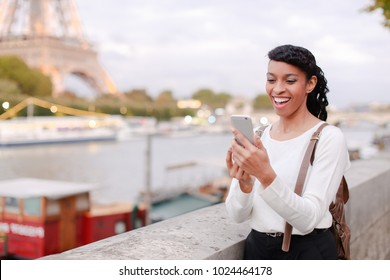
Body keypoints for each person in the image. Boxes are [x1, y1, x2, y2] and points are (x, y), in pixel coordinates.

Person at [225, 44, 350, 260]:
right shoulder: (258, 135)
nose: (277, 89)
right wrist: (245, 186)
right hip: (257, 250)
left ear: (310, 84)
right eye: (271, 80)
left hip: (308, 253)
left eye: (290, 81)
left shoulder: (329, 138)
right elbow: (237, 216)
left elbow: (308, 219)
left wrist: (265, 175)